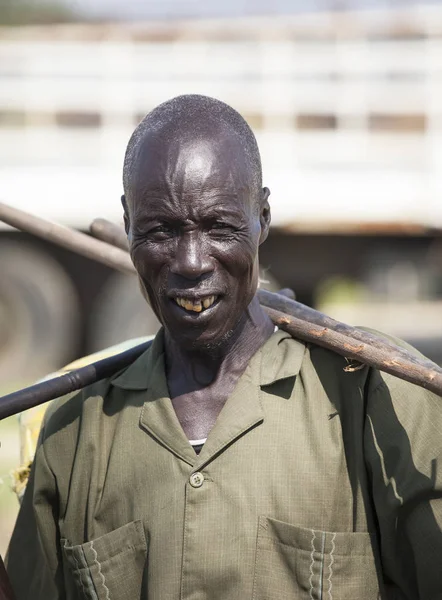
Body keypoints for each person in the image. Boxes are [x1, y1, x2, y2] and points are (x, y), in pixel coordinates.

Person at [6, 94, 442, 600]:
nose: (191, 262)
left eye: (219, 227)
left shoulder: (380, 400)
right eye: (161, 230)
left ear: (262, 216)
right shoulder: (73, 433)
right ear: (126, 225)